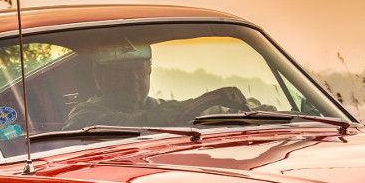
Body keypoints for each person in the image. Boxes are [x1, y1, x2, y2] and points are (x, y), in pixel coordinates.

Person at [63, 43, 248, 129]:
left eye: (140, 70)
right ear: (100, 78)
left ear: (149, 71)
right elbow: (136, 124)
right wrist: (206, 100)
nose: (134, 79)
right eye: (122, 72)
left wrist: (255, 113)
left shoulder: (155, 105)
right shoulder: (85, 114)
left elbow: (204, 115)